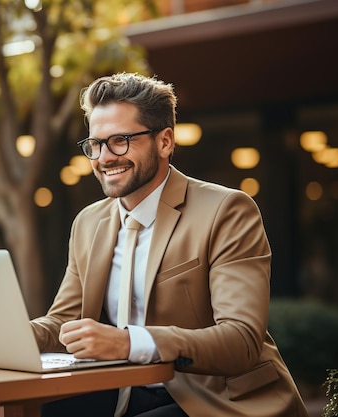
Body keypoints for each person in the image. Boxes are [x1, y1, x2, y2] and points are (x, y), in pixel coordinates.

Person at [30, 73, 308, 416]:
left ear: (165, 142)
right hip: (121, 391)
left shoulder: (227, 211)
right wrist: (12, 337)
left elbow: (242, 341)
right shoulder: (89, 222)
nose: (104, 158)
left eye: (120, 140)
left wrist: (128, 342)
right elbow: (64, 323)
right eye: (96, 144)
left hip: (216, 398)